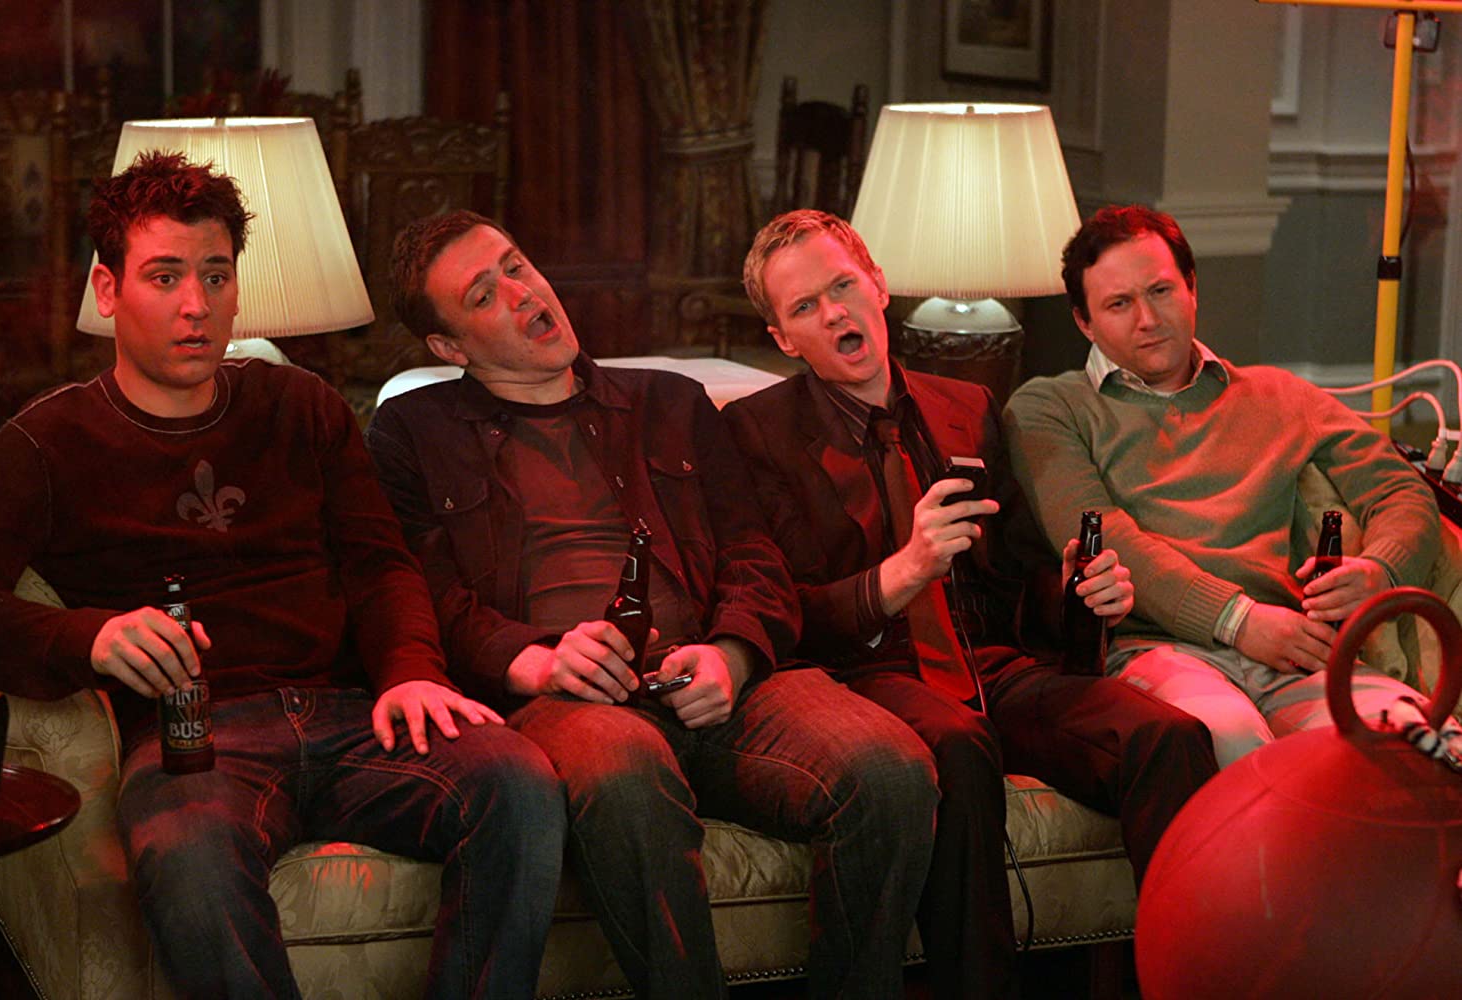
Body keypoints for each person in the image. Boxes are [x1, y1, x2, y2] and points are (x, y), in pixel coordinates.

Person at [0, 153, 565, 999]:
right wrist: (89, 637)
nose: (196, 305)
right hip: (197, 738)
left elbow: (382, 564)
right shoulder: (46, 443)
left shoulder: (301, 405)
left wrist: (410, 672)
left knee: (519, 784)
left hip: (356, 715)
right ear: (107, 289)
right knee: (188, 856)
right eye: (165, 276)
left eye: (215, 275)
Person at [366, 210, 939, 1000]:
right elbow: (423, 593)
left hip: (712, 672)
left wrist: (731, 654)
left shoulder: (671, 403)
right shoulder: (412, 432)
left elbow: (753, 555)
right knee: (626, 777)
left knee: (889, 769)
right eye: (484, 295)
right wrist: (534, 661)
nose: (523, 293)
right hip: (569, 696)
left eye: (517, 265)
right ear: (449, 347)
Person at [724, 209, 1218, 998]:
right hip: (865, 674)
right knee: (958, 745)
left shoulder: (966, 405)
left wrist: (1081, 592)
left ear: (877, 284)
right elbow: (777, 614)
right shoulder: (755, 432)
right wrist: (902, 572)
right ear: (783, 338)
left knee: (1166, 737)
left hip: (989, 661)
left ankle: (1181, 981)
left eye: (842, 286)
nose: (835, 313)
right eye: (805, 307)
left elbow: (1019, 575)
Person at [1002, 204, 1441, 767]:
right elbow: (1105, 536)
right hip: (1158, 651)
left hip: (1292, 651)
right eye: (1119, 304)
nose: (1147, 319)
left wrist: (1381, 570)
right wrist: (1237, 620)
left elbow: (1400, 489)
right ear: (1084, 322)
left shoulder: (1279, 395)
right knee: (1231, 742)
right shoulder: (1050, 407)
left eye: (1160, 291)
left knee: (1422, 745)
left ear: (1192, 289)